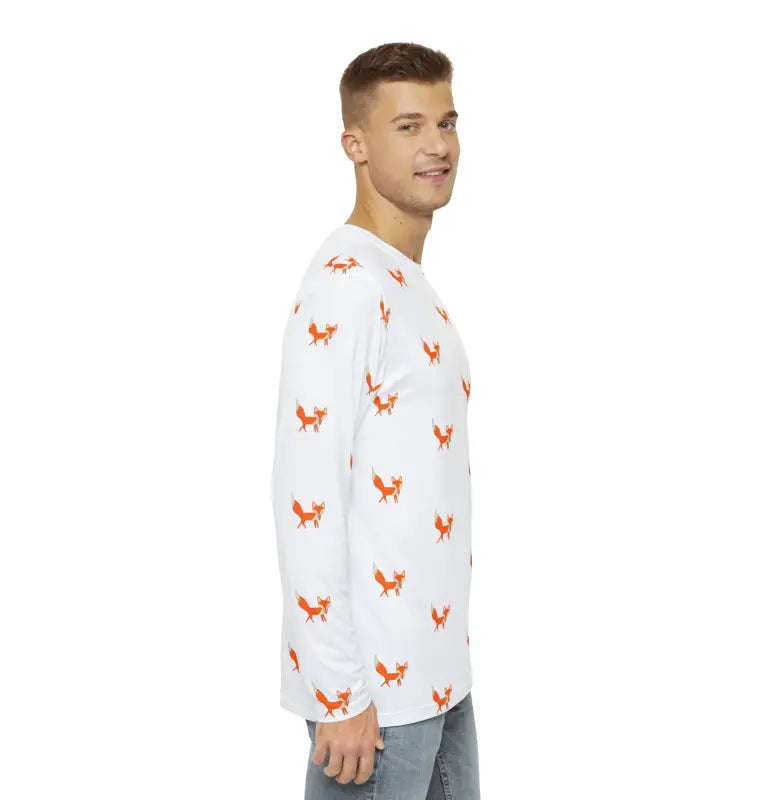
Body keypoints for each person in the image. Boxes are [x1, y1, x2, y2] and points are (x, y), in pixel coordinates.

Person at [270, 41, 480, 798]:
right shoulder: (348, 285)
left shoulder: (406, 284)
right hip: (374, 705)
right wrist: (337, 694)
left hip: (438, 680)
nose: (437, 145)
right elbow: (306, 493)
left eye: (446, 122)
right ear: (354, 145)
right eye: (408, 126)